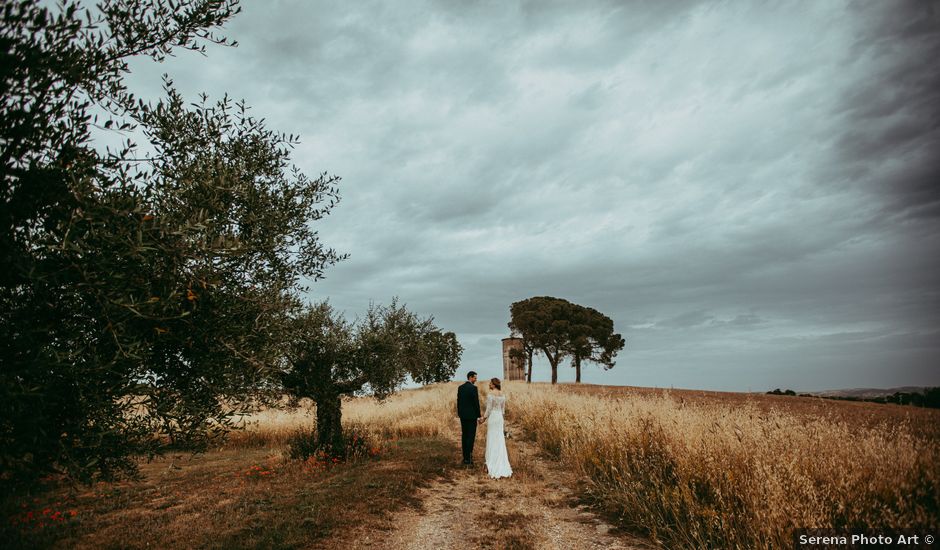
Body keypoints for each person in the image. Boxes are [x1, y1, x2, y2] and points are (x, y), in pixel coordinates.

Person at [480, 377, 512, 479]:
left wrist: (483, 418)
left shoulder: (491, 395)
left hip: (493, 417)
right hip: (499, 418)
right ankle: (500, 462)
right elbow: (503, 411)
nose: (489, 384)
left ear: (493, 384)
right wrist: (502, 421)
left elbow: (488, 409)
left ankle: (491, 463)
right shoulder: (503, 395)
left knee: (492, 439)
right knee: (499, 439)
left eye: (490, 383)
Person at [456, 371, 482, 465]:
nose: (476, 379)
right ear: (470, 377)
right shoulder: (473, 388)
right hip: (471, 416)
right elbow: (476, 403)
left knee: (464, 435)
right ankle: (469, 458)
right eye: (475, 378)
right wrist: (479, 415)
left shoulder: (460, 388)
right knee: (471, 436)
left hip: (463, 416)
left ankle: (465, 458)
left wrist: (459, 413)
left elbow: (458, 402)